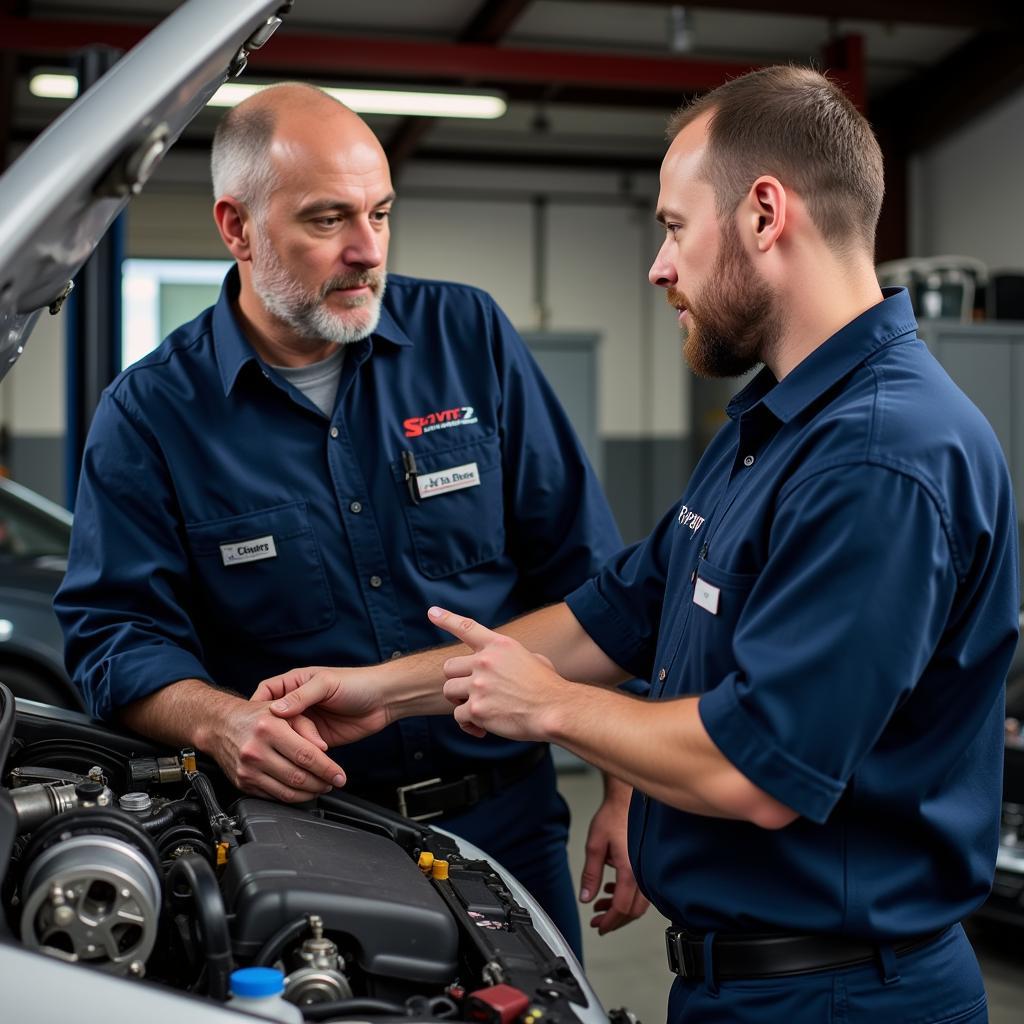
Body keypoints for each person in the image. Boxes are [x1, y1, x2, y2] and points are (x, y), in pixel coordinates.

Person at [253, 67, 1019, 1022]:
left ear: (764, 214)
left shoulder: (880, 457)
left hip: (840, 994)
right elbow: (615, 613)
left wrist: (557, 711)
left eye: (672, 227)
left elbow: (756, 767)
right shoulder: (775, 428)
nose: (659, 268)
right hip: (745, 981)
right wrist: (378, 690)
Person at [54, 82, 650, 956]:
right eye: (328, 220)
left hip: (508, 822)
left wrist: (628, 787)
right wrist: (223, 722)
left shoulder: (469, 337)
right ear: (237, 227)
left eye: (380, 214)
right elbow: (113, 635)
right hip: (306, 835)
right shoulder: (151, 414)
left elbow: (588, 575)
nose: (367, 251)